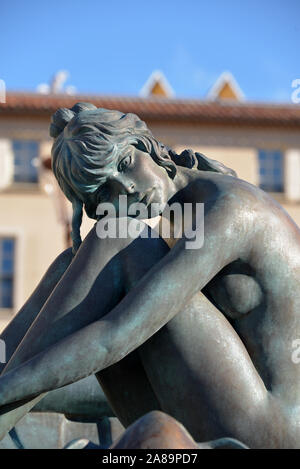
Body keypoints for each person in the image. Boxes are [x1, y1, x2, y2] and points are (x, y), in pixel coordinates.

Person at [0, 102, 300, 448]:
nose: (125, 189)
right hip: (223, 407)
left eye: (125, 164)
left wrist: (8, 390)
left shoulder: (231, 208)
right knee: (73, 265)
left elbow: (112, 337)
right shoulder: (174, 221)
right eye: (105, 192)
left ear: (146, 146)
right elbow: (122, 357)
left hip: (273, 429)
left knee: (118, 238)